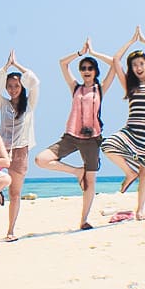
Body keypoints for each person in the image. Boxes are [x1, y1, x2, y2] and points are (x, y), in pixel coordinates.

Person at [35, 38, 116, 230]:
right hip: (71, 137)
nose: (86, 71)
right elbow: (62, 63)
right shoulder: (75, 88)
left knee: (90, 182)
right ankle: (76, 172)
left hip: (92, 140)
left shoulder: (101, 89)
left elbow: (114, 63)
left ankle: (84, 220)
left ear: (95, 71)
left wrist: (93, 53)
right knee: (41, 159)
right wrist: (80, 53)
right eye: (83, 68)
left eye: (90, 68)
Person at [101, 26, 145, 221]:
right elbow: (116, 60)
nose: (138, 67)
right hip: (131, 130)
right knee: (107, 145)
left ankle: (140, 211)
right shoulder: (129, 86)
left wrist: (144, 40)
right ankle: (129, 173)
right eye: (134, 65)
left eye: (141, 63)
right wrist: (132, 42)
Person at [0, 49, 40, 240]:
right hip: (1, 151)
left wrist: (17, 65)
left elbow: (35, 82)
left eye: (16, 85)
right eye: (9, 86)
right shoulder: (3, 104)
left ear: (21, 86)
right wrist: (6, 67)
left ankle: (10, 230)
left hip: (20, 152)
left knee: (15, 193)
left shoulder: (30, 104)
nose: (12, 89)